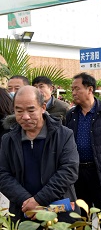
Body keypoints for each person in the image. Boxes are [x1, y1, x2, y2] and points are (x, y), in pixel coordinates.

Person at [0, 86, 79, 223]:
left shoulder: (63, 135)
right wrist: (27, 201)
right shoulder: (8, 139)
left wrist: (39, 200)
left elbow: (68, 171)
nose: (25, 116)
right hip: (24, 212)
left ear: (43, 107)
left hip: (58, 212)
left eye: (31, 110)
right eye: (19, 111)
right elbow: (3, 174)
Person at [65, 72, 101, 212]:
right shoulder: (71, 115)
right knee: (80, 217)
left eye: (77, 88)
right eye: (72, 89)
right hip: (78, 174)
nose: (73, 92)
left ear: (90, 89)